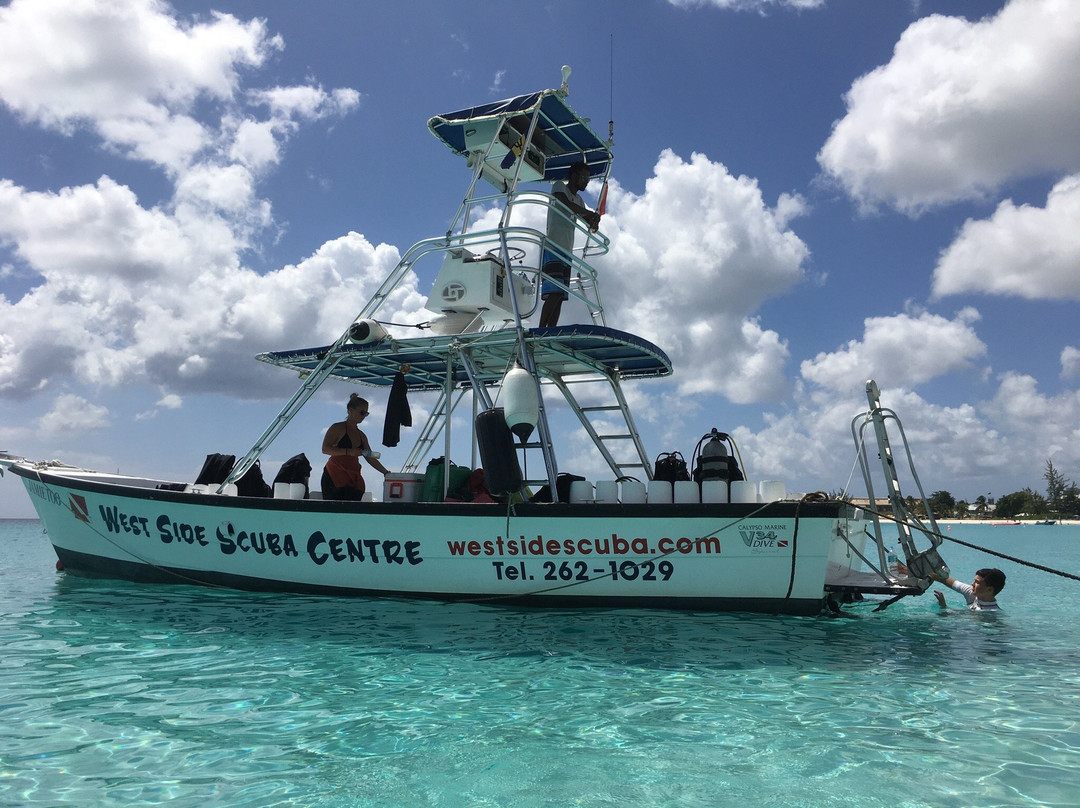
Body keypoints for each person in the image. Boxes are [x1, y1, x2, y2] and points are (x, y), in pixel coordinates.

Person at [539, 161, 602, 328]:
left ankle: (550, 331)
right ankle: (541, 329)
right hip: (554, 246)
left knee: (560, 295)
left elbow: (588, 222)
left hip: (567, 250)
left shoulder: (579, 200)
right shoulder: (560, 187)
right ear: (573, 176)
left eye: (588, 179)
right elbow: (564, 203)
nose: (586, 181)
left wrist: (594, 221)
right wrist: (588, 213)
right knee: (553, 292)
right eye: (584, 177)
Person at [321, 393, 389, 500]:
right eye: (361, 413)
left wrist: (386, 472)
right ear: (350, 411)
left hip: (353, 475)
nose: (363, 416)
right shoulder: (337, 428)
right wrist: (349, 452)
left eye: (366, 414)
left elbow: (369, 457)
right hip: (334, 474)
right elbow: (325, 449)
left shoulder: (361, 435)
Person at [931, 567, 1006, 611]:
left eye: (977, 582)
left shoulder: (992, 613)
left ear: (989, 589)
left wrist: (943, 607)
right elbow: (944, 579)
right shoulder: (972, 592)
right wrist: (929, 573)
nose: (972, 584)